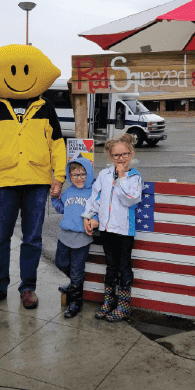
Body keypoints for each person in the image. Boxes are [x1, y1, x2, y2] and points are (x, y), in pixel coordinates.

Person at [0, 44, 66, 311]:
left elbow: (57, 144)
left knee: (32, 239)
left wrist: (59, 176)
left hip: (36, 183)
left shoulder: (45, 107)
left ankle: (28, 288)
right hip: (3, 183)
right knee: (0, 238)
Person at [82, 134, 144, 322]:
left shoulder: (134, 177)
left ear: (131, 154)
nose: (121, 159)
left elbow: (130, 199)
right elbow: (96, 197)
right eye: (116, 155)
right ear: (110, 156)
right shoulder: (104, 175)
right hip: (107, 230)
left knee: (124, 266)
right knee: (110, 266)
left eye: (125, 154)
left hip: (124, 231)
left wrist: (122, 178)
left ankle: (123, 306)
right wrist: (89, 215)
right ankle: (108, 302)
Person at [51, 156, 95, 319]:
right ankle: (73, 284)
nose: (79, 178)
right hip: (65, 235)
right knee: (60, 262)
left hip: (82, 237)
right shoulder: (68, 191)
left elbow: (98, 211)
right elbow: (61, 209)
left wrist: (94, 220)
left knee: (77, 270)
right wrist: (55, 198)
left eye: (83, 174)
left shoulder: (92, 192)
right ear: (70, 176)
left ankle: (76, 302)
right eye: (75, 175)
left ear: (88, 173)